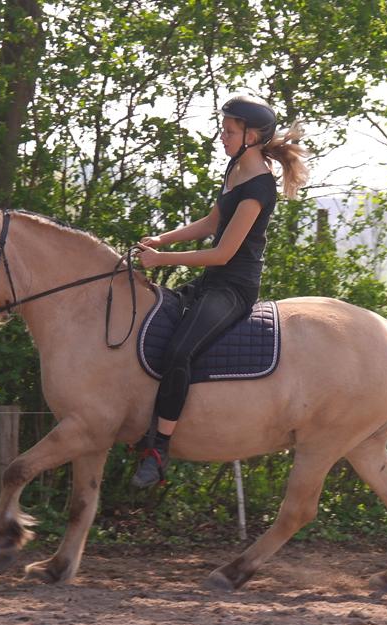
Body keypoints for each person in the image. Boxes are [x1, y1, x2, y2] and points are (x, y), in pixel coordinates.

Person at [131, 95, 310, 488]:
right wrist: (162, 238)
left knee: (180, 350)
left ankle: (158, 449)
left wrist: (163, 261)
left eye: (228, 131)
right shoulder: (235, 169)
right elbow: (213, 221)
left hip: (233, 288)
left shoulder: (260, 187)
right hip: (212, 281)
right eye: (224, 129)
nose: (221, 137)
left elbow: (224, 252)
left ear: (252, 136)